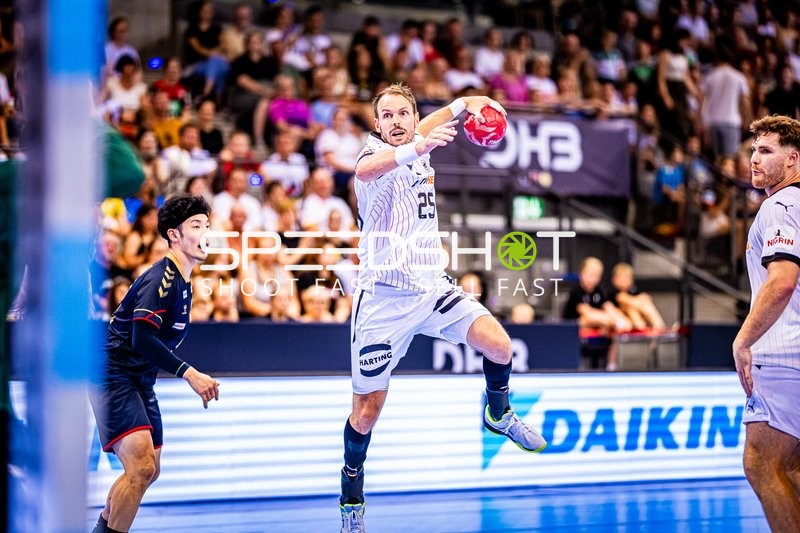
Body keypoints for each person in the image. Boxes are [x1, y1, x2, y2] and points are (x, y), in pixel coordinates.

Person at [338, 85, 547, 533]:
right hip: (382, 302)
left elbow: (431, 127)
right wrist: (415, 145)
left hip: (431, 289)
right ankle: (351, 488)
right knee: (367, 411)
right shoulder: (372, 157)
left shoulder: (420, 143)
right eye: (386, 115)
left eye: (403, 114)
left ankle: (498, 412)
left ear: (414, 117)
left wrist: (465, 103)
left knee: (500, 346)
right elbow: (371, 169)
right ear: (377, 125)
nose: (395, 121)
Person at [90, 195, 220, 533]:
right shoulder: (161, 278)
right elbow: (142, 338)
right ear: (174, 235)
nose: (205, 232)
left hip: (139, 379)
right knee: (140, 468)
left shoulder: (184, 282)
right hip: (112, 373)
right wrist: (190, 374)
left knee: (150, 469)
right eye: (196, 225)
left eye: (207, 225)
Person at [732, 114, 800, 531]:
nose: (754, 158)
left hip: (783, 356)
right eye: (753, 150)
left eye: (766, 150)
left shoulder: (780, 204)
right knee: (792, 467)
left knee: (761, 462)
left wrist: (743, 341)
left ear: (793, 160)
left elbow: (782, 280)